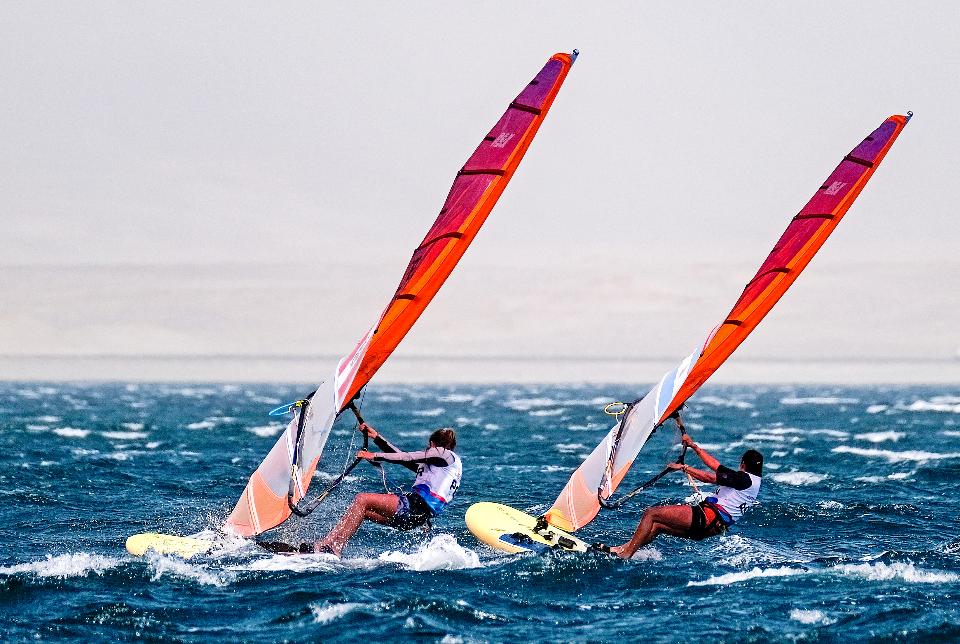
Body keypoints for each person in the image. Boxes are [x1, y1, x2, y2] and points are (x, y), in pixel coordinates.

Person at [312, 423, 462, 556]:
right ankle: (329, 546)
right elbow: (401, 457)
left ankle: (332, 546)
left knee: (362, 499)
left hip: (414, 507)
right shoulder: (442, 469)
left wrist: (374, 455)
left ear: (432, 443)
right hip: (417, 518)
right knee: (362, 510)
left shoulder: (443, 454)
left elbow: (408, 456)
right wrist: (377, 438)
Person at [609, 434, 762, 559]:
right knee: (657, 526)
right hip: (711, 527)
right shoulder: (751, 480)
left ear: (742, 464)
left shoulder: (743, 479)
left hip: (707, 518)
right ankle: (621, 550)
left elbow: (709, 478)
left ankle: (626, 554)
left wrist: (684, 468)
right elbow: (717, 466)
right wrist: (694, 446)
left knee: (651, 513)